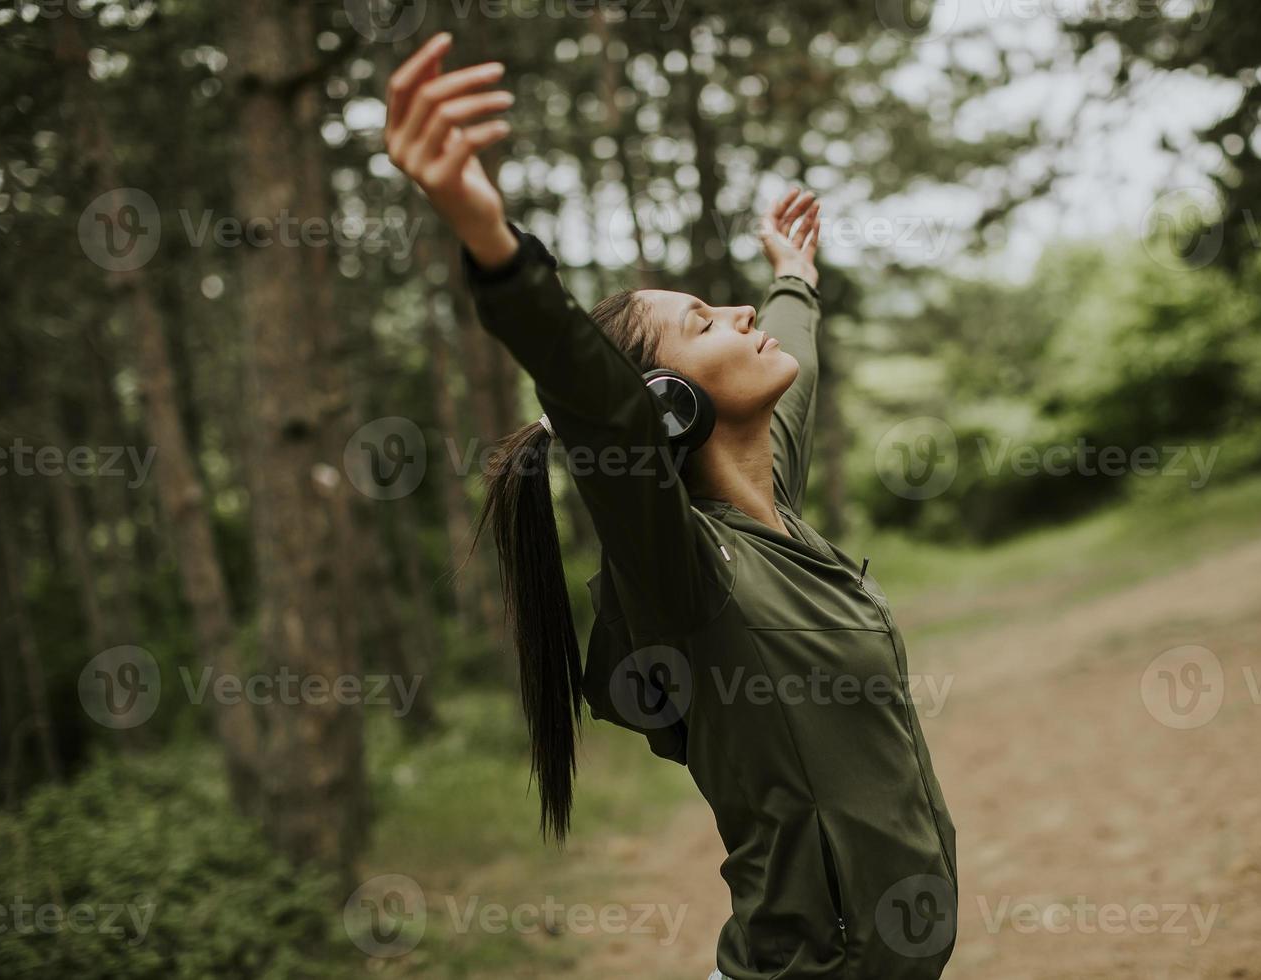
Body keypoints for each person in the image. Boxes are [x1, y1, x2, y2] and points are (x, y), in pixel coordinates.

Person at [384, 32, 958, 979]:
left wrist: (792, 276)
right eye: (702, 322)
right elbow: (594, 404)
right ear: (663, 403)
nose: (738, 316)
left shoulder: (772, 514)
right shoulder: (682, 572)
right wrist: (490, 241)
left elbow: (792, 354)